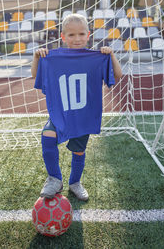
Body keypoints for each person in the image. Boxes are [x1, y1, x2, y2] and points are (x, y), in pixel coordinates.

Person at [31, 13, 122, 201]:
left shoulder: (97, 56)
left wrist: (111, 54)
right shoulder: (53, 57)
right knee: (47, 135)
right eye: (71, 35)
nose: (77, 39)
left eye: (81, 34)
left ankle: (75, 183)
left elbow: (118, 75)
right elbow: (35, 75)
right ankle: (54, 179)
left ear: (88, 35)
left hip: (84, 115)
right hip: (61, 113)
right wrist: (37, 57)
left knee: (78, 151)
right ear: (63, 37)